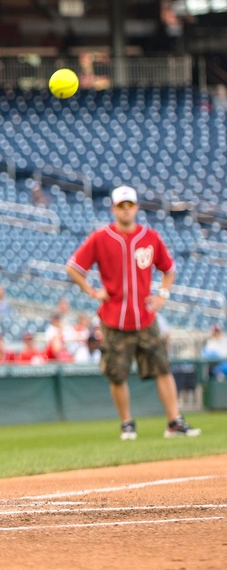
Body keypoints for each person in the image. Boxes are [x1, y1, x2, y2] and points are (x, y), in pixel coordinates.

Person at [66, 185, 200, 440]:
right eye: (121, 206)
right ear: (114, 208)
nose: (126, 210)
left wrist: (163, 294)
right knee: (117, 373)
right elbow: (73, 267)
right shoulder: (101, 237)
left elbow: (169, 269)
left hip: (145, 316)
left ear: (136, 208)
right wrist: (91, 291)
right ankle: (127, 423)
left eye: (130, 205)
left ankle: (174, 421)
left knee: (162, 368)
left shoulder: (150, 237)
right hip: (114, 318)